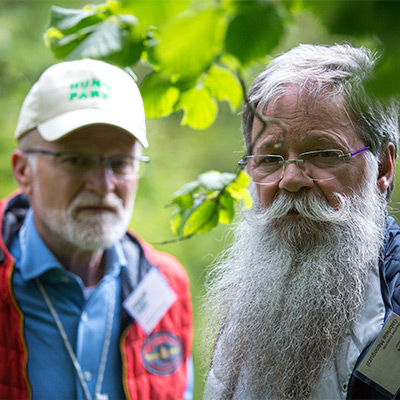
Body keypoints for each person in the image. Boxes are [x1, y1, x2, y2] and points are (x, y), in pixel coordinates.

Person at [202, 44, 400, 399]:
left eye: (324, 153)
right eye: (270, 158)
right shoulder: (248, 292)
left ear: (383, 169)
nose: (290, 179)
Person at [0, 59, 193, 400]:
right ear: (23, 171)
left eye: (120, 163)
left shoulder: (165, 286)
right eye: (76, 160)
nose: (103, 185)